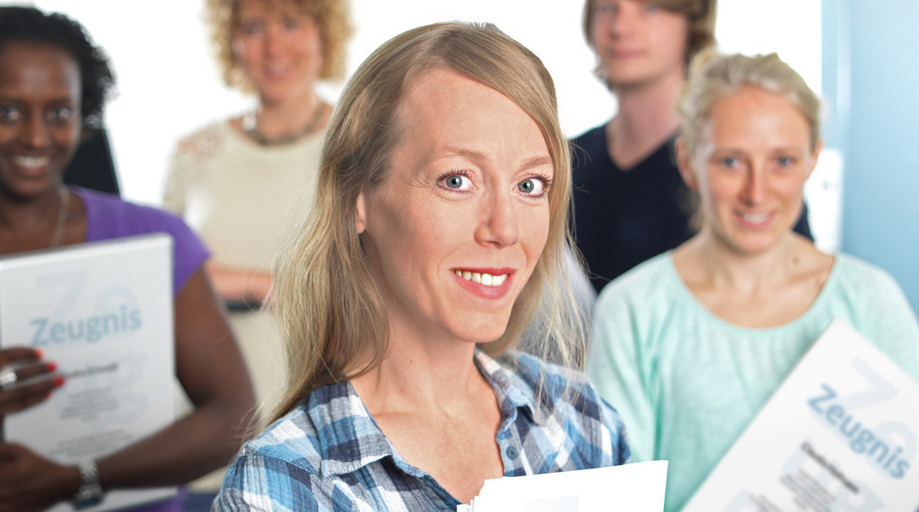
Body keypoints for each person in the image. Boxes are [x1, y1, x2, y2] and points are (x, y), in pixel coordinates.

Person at [213, 22, 631, 511]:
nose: (505, 229)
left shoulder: (584, 423)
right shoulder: (283, 484)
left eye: (530, 185)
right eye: (456, 180)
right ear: (358, 199)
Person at [0, 7, 255, 512]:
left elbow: (234, 417)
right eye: (7, 112)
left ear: (82, 113)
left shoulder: (154, 239)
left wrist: (76, 478)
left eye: (59, 113)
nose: (37, 137)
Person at [587, 50, 919, 511]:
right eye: (730, 162)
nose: (757, 192)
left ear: (812, 159)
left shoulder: (871, 301)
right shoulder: (633, 310)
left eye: (782, 161)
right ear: (687, 161)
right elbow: (617, 500)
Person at [162, 0, 352, 413]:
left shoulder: (358, 146)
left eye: (290, 23)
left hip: (322, 413)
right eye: (252, 28)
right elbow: (160, 275)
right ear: (230, 43)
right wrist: (259, 285)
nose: (273, 47)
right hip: (202, 422)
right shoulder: (195, 155)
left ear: (324, 33)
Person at [571, 0, 813, 293]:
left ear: (693, 23)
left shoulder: (732, 174)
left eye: (649, 9)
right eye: (607, 8)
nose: (620, 28)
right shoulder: (562, 163)